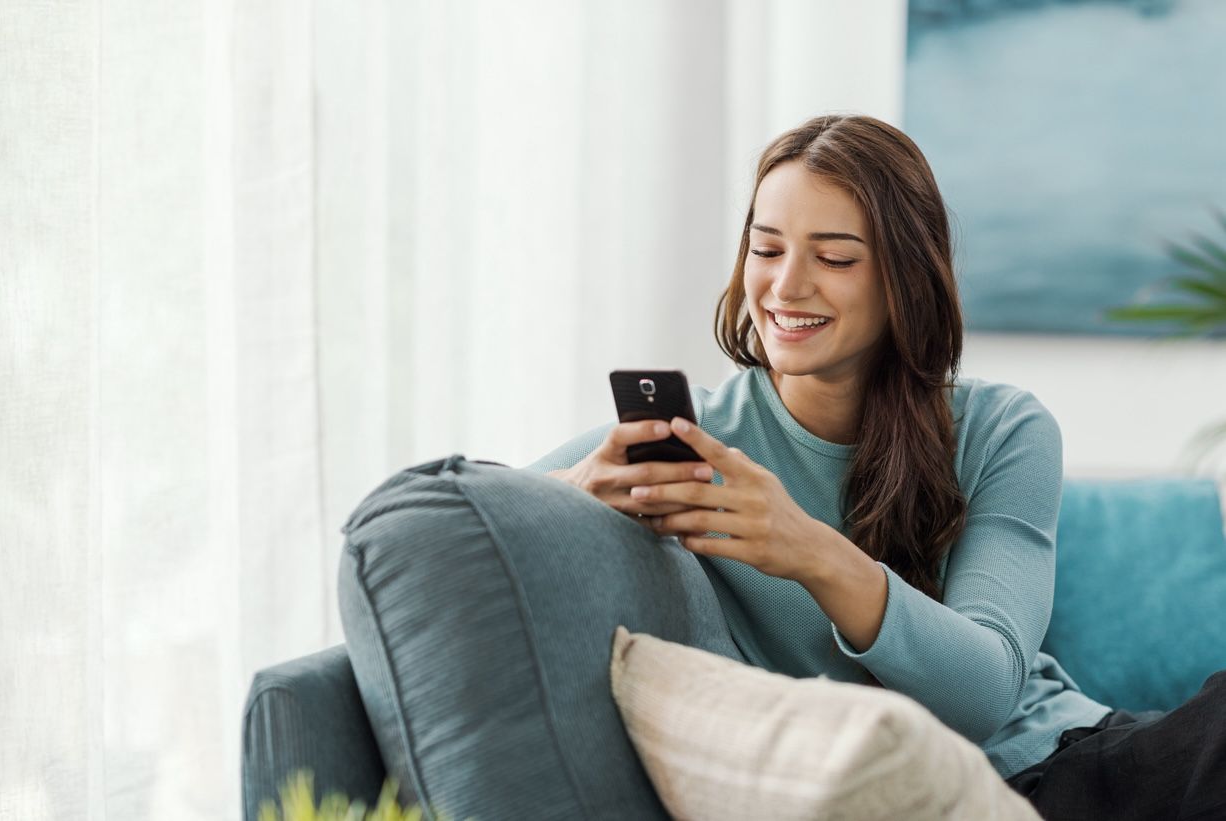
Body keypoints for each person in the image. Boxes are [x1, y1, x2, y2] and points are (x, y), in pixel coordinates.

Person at [523, 113, 1226, 819]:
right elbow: (470, 507)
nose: (785, 286)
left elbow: (985, 692)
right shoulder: (697, 439)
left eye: (834, 259)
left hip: (1069, 762)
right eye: (766, 249)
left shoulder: (1004, 427)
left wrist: (807, 549)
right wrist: (577, 489)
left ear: (905, 277)